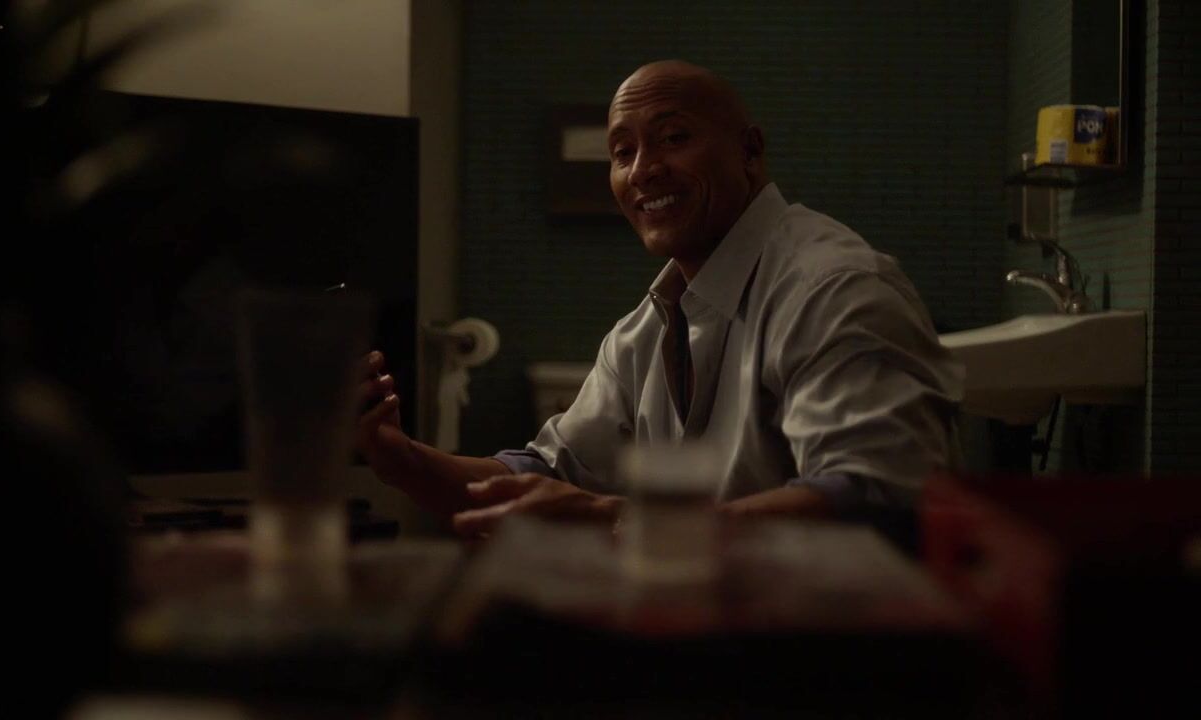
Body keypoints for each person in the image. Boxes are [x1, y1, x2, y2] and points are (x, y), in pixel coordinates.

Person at [356, 60, 962, 537]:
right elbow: (543, 475)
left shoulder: (834, 289)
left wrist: (616, 520)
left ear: (750, 152)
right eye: (623, 152)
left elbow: (877, 497)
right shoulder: (644, 332)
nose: (644, 170)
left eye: (674, 137)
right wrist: (400, 458)